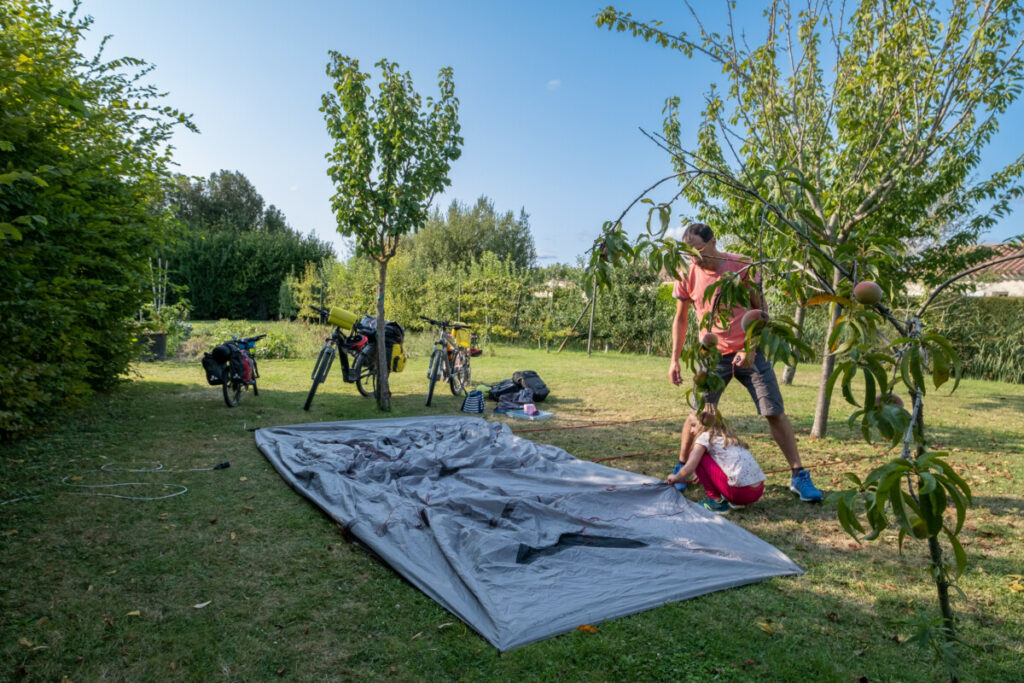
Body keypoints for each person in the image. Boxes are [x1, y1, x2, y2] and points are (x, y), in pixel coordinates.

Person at [668, 222, 822, 502]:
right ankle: (683, 467)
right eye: (688, 254)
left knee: (773, 410)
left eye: (698, 251)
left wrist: (750, 349)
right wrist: (674, 360)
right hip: (711, 354)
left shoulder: (742, 266)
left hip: (750, 351)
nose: (694, 259)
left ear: (713, 241)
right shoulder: (687, 273)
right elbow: (680, 318)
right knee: (699, 412)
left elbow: (761, 312)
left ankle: (799, 475)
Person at [666, 412, 765, 515]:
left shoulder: (704, 438)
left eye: (693, 425)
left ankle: (716, 502)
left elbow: (688, 468)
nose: (691, 430)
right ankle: (735, 503)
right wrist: (707, 475)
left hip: (739, 493)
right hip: (757, 492)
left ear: (704, 426)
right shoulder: (729, 438)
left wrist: (676, 477)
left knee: (695, 455)